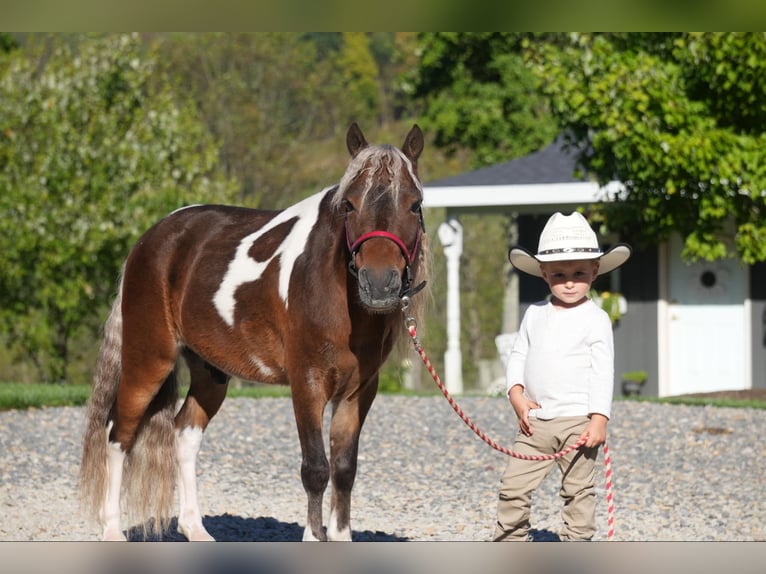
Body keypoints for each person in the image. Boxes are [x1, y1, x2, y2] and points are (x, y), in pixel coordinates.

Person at [493, 211, 631, 542]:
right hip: (535, 422)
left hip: (578, 424)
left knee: (578, 494)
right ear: (543, 273)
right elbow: (519, 354)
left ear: (595, 272)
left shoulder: (596, 319)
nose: (569, 282)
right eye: (559, 274)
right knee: (513, 488)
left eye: (579, 273)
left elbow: (602, 370)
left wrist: (599, 419)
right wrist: (515, 393)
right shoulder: (534, 315)